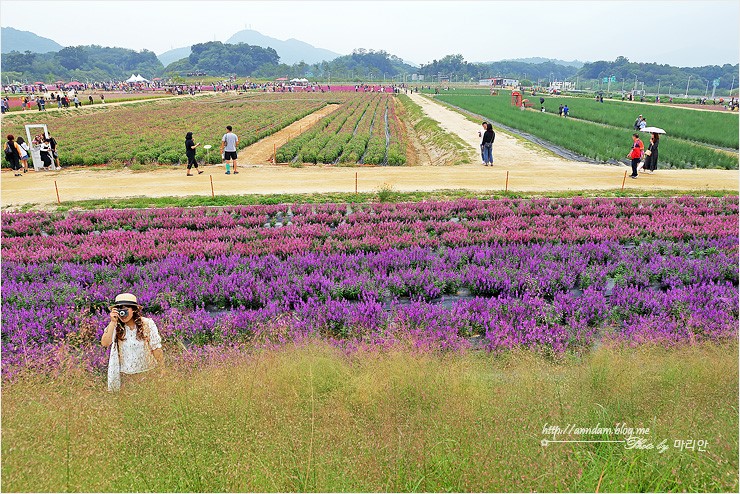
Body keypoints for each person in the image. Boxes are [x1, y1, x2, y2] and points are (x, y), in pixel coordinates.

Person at [101, 293, 164, 391]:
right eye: (120, 310)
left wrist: (162, 369)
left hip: (148, 373)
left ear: (134, 310)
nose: (123, 314)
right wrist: (113, 322)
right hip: (126, 377)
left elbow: (156, 348)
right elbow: (105, 343)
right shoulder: (115, 326)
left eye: (125, 310)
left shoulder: (147, 324)